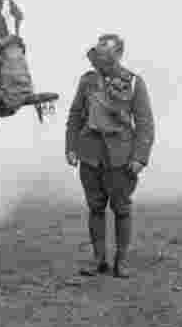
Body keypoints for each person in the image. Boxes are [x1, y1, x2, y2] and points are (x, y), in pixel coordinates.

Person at [65, 33, 155, 278]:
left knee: (121, 208)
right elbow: (75, 116)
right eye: (99, 53)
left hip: (120, 156)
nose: (101, 58)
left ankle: (121, 262)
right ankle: (98, 260)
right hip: (90, 153)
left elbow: (145, 124)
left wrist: (139, 157)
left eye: (107, 53)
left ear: (118, 54)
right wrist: (71, 147)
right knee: (95, 207)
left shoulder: (134, 83)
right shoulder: (88, 81)